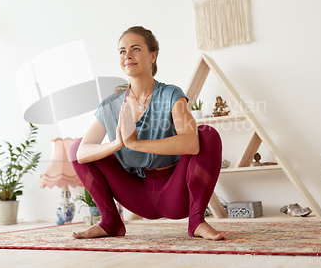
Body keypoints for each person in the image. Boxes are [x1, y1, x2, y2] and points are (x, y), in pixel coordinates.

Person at [69, 26, 224, 240]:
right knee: (77, 147)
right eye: (122, 51)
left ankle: (197, 221)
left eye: (135, 49)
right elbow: (81, 154)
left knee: (207, 134)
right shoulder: (110, 105)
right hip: (136, 193)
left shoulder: (171, 95)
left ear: (153, 55)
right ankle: (111, 221)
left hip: (175, 194)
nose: (128, 56)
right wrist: (117, 144)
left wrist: (135, 143)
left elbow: (191, 143)